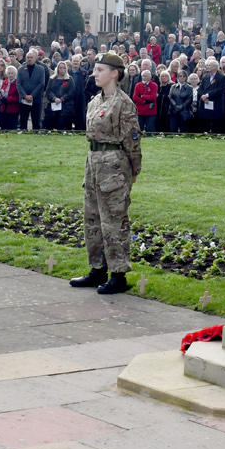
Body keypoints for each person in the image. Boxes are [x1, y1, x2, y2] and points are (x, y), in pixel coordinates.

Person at [70, 52, 142, 295]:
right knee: (92, 218)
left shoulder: (124, 103)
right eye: (95, 69)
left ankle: (118, 274)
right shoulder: (94, 102)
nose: (95, 74)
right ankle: (97, 269)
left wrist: (133, 169)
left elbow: (132, 140)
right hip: (93, 162)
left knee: (113, 219)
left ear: (115, 73)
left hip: (114, 165)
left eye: (100, 70)